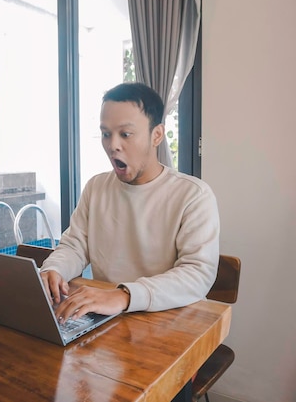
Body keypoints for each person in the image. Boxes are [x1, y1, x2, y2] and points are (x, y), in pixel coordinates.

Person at [40, 82, 220, 325]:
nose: (113, 145)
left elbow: (197, 274)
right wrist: (54, 269)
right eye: (106, 134)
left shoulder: (193, 196)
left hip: (170, 325)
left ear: (156, 135)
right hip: (108, 320)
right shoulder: (96, 188)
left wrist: (124, 295)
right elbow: (75, 246)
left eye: (125, 134)